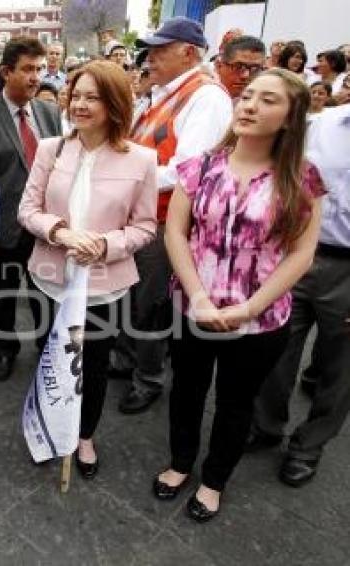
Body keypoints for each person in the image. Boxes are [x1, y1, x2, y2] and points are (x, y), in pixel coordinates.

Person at [155, 69, 324, 522]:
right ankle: (179, 463)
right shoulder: (201, 166)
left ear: (291, 118)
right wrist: (198, 296)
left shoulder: (302, 180)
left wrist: (250, 306)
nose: (249, 105)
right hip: (191, 306)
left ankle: (214, 481)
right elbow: (176, 232)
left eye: (267, 100)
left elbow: (301, 254)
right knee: (186, 391)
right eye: (247, 96)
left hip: (260, 318)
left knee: (236, 401)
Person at [18, 60, 157, 479]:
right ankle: (49, 424)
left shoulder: (142, 160)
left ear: (115, 104)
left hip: (104, 286)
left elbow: (146, 226)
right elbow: (27, 210)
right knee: (50, 356)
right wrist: (59, 232)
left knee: (92, 365)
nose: (79, 104)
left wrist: (106, 245)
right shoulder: (51, 149)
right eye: (76, 95)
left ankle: (84, 436)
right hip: (49, 278)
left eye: (92, 97)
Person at [116, 17, 233, 415]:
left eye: (160, 50)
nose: (150, 58)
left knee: (150, 304)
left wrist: (126, 179)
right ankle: (132, 360)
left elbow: (190, 169)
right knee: (134, 296)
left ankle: (147, 379)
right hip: (145, 215)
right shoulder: (170, 93)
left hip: (167, 221)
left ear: (189, 52)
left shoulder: (207, 97)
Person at [247, 102, 350, 488]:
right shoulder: (320, 124)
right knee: (276, 350)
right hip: (295, 255)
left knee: (340, 371)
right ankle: (267, 426)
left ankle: (307, 448)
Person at [0, 36, 62, 382]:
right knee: (5, 294)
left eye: (39, 69)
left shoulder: (51, 113)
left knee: (44, 293)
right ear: (7, 72)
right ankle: (5, 351)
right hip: (3, 228)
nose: (36, 76)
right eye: (27, 69)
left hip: (46, 228)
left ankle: (46, 348)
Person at [214, 36, 265, 101]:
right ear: (219, 66)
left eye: (254, 69)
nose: (245, 75)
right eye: (238, 67)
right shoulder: (203, 94)